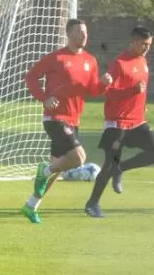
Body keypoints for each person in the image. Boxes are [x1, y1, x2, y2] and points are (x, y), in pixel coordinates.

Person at [22, 18, 109, 224]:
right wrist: (45, 98)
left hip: (73, 119)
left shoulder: (90, 61)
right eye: (79, 32)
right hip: (55, 118)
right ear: (68, 34)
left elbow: (91, 90)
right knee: (79, 158)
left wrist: (103, 84)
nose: (84, 35)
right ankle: (44, 170)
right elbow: (31, 77)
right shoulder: (56, 58)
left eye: (85, 32)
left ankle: (31, 206)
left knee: (58, 169)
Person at [84, 26, 154, 218]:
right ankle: (92, 204)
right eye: (143, 44)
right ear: (133, 41)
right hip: (117, 122)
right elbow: (109, 93)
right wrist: (132, 92)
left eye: (149, 45)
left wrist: (141, 104)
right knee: (108, 165)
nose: (146, 48)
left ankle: (121, 170)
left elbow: (141, 88)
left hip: (137, 122)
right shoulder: (119, 64)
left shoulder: (143, 61)